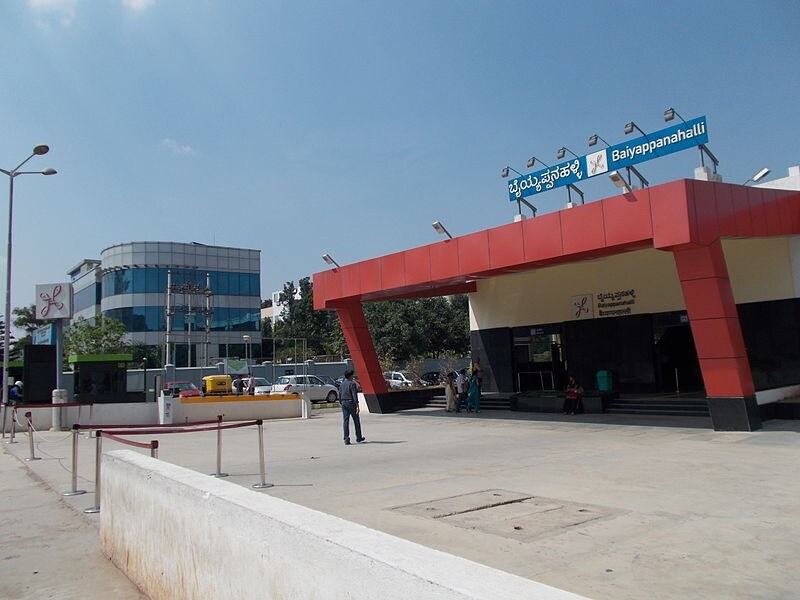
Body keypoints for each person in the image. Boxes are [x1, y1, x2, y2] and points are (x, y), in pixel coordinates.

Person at [338, 369, 365, 445]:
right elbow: (354, 395)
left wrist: (341, 402)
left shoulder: (342, 384)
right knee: (356, 420)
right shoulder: (352, 384)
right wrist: (357, 405)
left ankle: (346, 438)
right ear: (350, 376)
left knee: (346, 421)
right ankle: (358, 437)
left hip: (343, 402)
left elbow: (340, 394)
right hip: (351, 403)